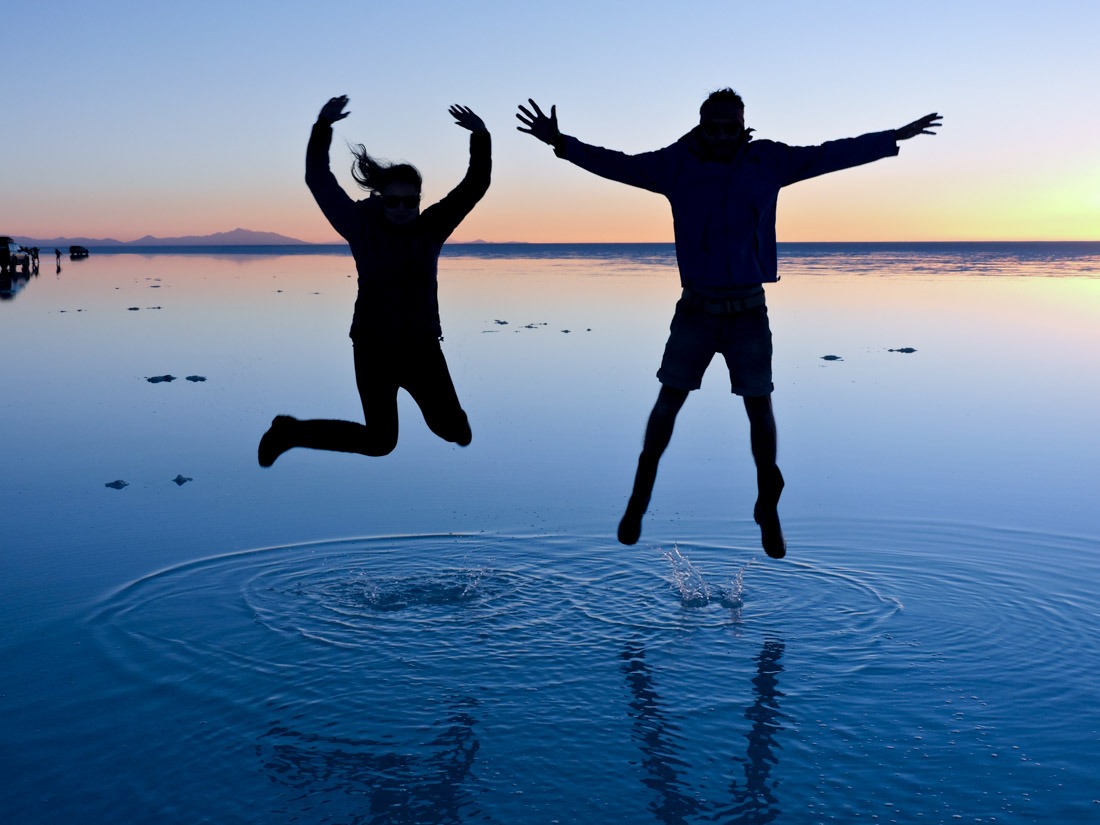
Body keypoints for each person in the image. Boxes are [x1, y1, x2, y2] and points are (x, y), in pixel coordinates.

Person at [517, 91, 940, 557]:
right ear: (701, 124)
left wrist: (889, 139)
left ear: (743, 124)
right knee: (667, 405)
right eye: (713, 126)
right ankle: (639, 498)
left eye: (729, 126)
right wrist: (560, 142)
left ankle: (768, 506)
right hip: (695, 311)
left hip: (748, 313)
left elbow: (828, 155)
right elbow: (616, 164)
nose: (721, 135)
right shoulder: (676, 164)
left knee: (760, 409)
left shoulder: (768, 160)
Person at [259, 95, 491, 466]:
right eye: (392, 201)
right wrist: (323, 126)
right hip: (374, 349)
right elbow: (317, 179)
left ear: (418, 200)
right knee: (381, 441)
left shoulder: (432, 227)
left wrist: (480, 135)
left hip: (422, 350)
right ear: (380, 198)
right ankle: (289, 432)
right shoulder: (360, 227)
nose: (401, 209)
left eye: (409, 201)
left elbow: (475, 185)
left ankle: (448, 419)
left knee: (456, 432)